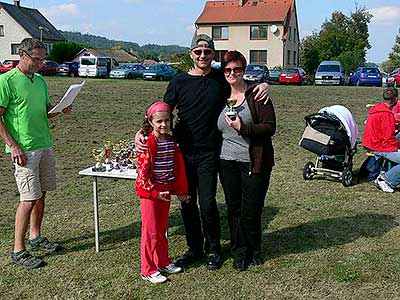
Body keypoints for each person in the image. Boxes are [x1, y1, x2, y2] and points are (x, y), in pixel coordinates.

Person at [135, 34, 269, 270]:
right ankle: (194, 248)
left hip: (210, 153)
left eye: (207, 52)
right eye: (198, 52)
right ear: (191, 55)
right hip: (183, 153)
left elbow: (243, 84)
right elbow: (162, 112)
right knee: (187, 202)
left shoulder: (220, 78)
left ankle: (214, 249)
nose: (202, 56)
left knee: (207, 204)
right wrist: (142, 131)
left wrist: (265, 84)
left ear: (213, 55)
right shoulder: (178, 82)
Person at [0, 38, 72, 269]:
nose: (40, 64)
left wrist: (60, 108)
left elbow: (45, 111)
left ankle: (36, 237)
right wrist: (13, 145)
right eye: (36, 59)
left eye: (42, 59)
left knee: (41, 194)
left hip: (44, 144)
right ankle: (18, 251)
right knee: (28, 199)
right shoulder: (6, 81)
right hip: (24, 149)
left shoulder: (39, 80)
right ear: (22, 54)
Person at [217, 51, 276, 271]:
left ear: (244, 70)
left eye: (237, 69)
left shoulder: (257, 94)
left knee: (252, 209)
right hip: (226, 161)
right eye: (228, 69)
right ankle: (239, 252)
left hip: (253, 161)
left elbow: (270, 127)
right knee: (234, 209)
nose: (232, 73)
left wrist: (244, 128)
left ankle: (255, 249)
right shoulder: (220, 94)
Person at [135, 102, 190, 284]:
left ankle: (163, 261)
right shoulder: (147, 142)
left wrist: (180, 191)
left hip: (165, 189)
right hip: (150, 192)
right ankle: (148, 269)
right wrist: (153, 192)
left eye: (166, 120)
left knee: (161, 229)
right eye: (159, 121)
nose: (163, 125)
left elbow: (177, 168)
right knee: (150, 231)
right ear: (150, 122)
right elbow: (143, 173)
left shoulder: (171, 141)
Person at [363, 87, 400, 192]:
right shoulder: (387, 115)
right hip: (378, 146)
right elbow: (388, 139)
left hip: (371, 142)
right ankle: (386, 180)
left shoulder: (377, 109)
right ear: (396, 100)